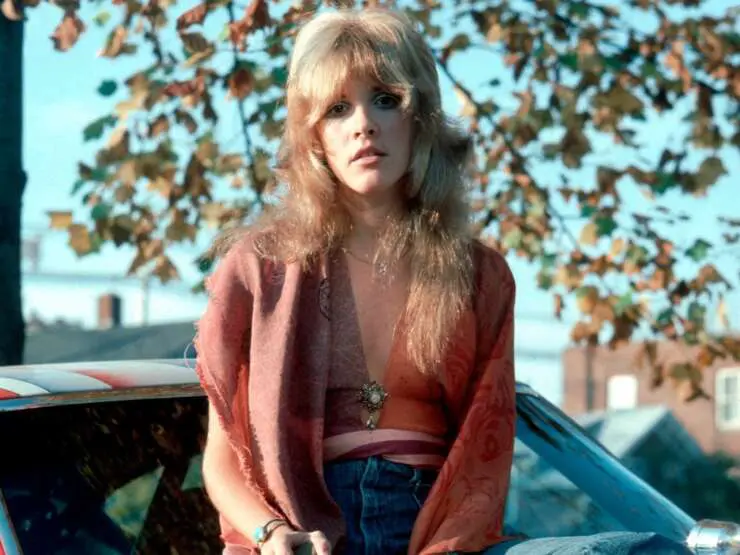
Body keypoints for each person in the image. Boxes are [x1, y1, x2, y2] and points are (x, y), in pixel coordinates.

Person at [194, 8, 693, 555]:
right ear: (313, 135)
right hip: (306, 529)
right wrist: (270, 533)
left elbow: (486, 451)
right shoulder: (261, 268)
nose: (364, 124)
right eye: (338, 108)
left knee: (644, 550)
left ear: (421, 118)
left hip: (439, 529)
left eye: (386, 99)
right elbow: (222, 459)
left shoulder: (479, 276)